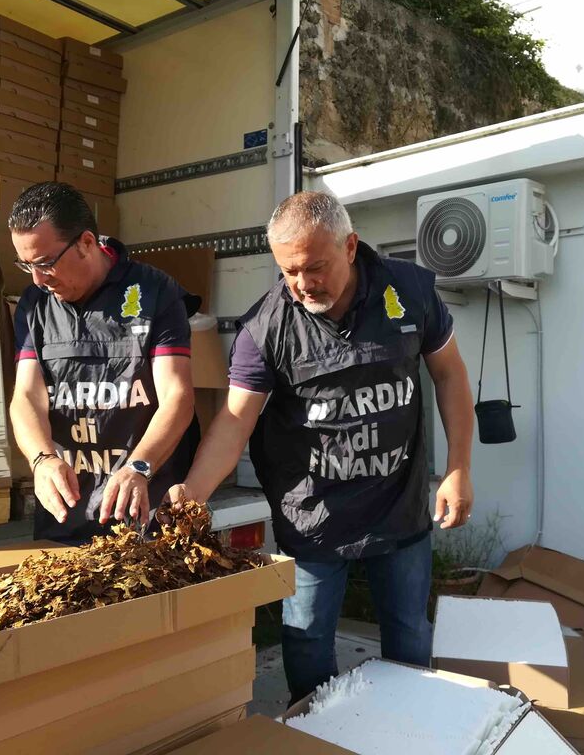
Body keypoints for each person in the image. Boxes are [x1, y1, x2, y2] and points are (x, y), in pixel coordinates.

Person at [165, 191, 475, 703]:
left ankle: (409, 724)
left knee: (409, 635)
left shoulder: (409, 292)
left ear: (350, 247)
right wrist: (193, 492)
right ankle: (314, 732)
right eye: (289, 271)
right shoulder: (265, 327)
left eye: (315, 267)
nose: (304, 284)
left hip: (397, 505)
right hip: (313, 513)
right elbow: (235, 420)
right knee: (307, 639)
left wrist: (459, 467)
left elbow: (450, 374)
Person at [8, 182, 198, 543]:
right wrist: (42, 460)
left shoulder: (154, 291)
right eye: (27, 265)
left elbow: (178, 397)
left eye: (46, 263)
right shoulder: (35, 304)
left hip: (145, 511)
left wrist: (140, 466)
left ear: (86, 243)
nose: (38, 279)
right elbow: (26, 397)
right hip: (67, 513)